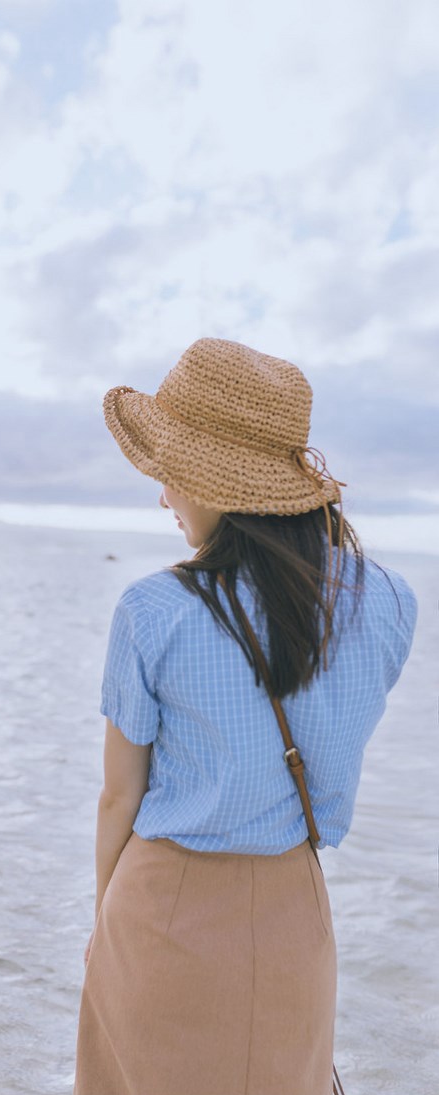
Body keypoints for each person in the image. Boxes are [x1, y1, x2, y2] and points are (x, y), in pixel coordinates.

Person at [73, 338, 417, 1095]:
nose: (164, 496)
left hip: (164, 915)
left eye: (170, 474)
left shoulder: (153, 610)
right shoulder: (391, 604)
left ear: (210, 478)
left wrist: (105, 925)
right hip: (297, 914)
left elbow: (117, 798)